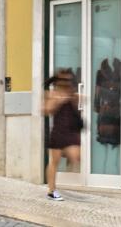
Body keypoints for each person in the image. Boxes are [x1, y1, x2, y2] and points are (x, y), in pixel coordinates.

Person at [43, 68, 83, 201]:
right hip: (58, 132)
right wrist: (58, 101)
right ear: (59, 81)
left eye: (69, 80)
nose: (67, 82)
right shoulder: (52, 94)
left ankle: (69, 160)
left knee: (77, 157)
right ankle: (51, 190)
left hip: (70, 132)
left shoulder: (71, 93)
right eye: (64, 80)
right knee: (54, 161)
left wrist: (76, 99)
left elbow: (76, 108)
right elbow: (45, 110)